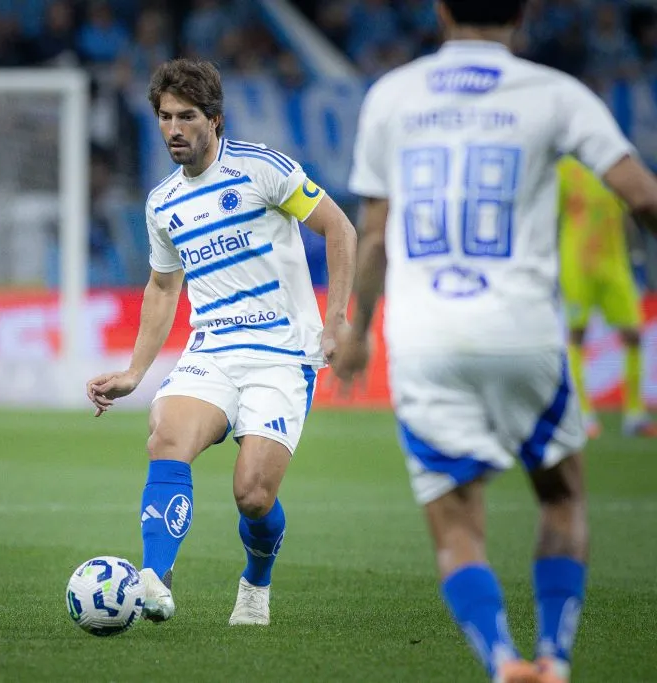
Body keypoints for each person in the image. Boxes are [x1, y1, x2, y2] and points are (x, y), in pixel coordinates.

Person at [337, 0, 657, 681]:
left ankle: (503, 659)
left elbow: (372, 236)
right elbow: (643, 197)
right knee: (562, 493)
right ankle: (556, 655)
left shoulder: (392, 95)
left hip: (423, 338)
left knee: (458, 523)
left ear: (440, 9)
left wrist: (358, 332)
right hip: (523, 331)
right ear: (526, 11)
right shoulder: (557, 93)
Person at [86, 58, 357, 626]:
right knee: (166, 437)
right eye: (164, 117)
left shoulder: (263, 170)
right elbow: (163, 288)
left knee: (253, 496)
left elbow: (340, 227)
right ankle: (153, 579)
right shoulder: (162, 202)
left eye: (186, 116)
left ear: (215, 119)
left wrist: (336, 322)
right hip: (211, 350)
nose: (173, 129)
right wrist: (135, 371)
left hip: (283, 354)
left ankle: (256, 581)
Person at [557, 155, 656, 438]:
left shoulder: (614, 164)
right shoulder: (566, 169)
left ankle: (635, 414)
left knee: (633, 334)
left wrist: (633, 240)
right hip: (578, 264)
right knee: (577, 335)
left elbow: (630, 208)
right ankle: (583, 413)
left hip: (614, 264)